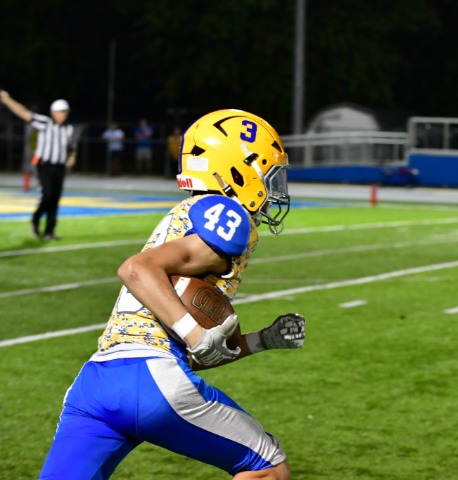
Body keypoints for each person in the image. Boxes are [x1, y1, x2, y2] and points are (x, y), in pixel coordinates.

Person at [38, 109, 305, 480]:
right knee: (269, 467)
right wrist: (195, 334)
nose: (275, 190)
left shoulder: (190, 213)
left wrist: (261, 340)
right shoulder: (227, 215)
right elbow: (137, 269)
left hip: (97, 383)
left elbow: (195, 351)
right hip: (153, 380)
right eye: (269, 175)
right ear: (239, 171)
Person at [0, 90, 76, 240]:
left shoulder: (68, 129)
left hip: (60, 167)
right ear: (53, 112)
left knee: (55, 198)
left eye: (65, 112)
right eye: (61, 111)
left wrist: (72, 157)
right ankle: (36, 219)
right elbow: (24, 113)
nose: (63, 114)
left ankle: (49, 231)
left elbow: (71, 147)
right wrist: (7, 100)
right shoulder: (45, 122)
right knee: (47, 195)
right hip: (44, 165)